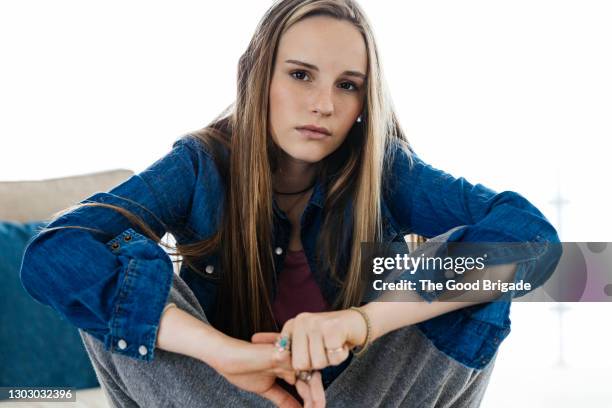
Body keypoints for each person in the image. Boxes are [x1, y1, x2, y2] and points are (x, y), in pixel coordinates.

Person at [19, 0, 561, 407]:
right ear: (259, 76)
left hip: (363, 397)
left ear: (364, 104)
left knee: (487, 260)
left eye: (348, 85)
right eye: (301, 75)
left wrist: (358, 323)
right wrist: (223, 353)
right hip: (224, 396)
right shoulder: (201, 164)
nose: (323, 104)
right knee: (104, 265)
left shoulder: (385, 169)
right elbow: (55, 254)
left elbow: (537, 243)